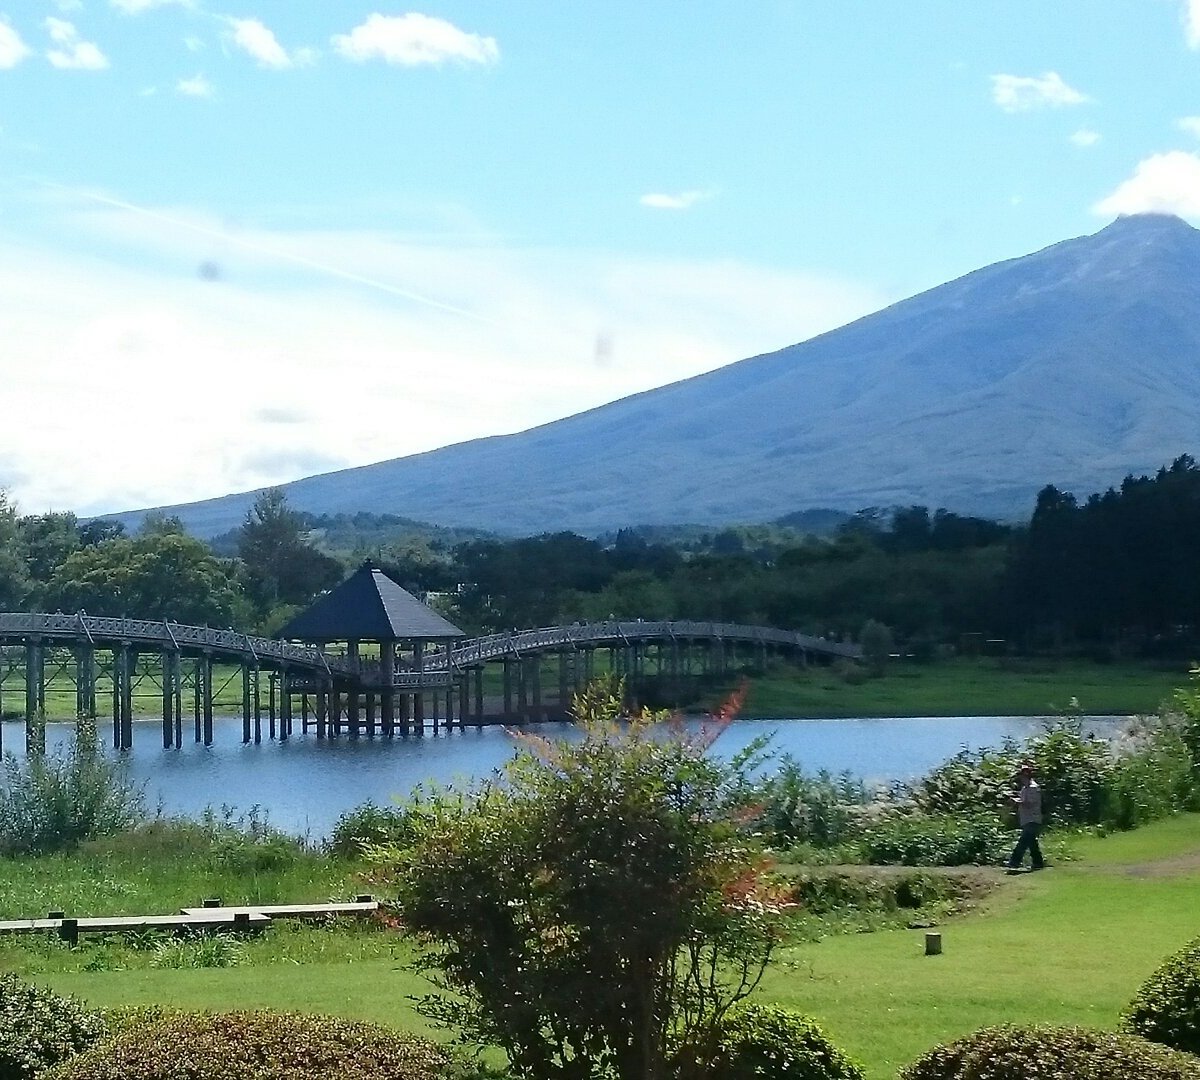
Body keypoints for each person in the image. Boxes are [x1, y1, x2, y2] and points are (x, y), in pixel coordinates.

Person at [1006, 760, 1044, 872]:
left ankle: (1014, 862)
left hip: (1032, 819)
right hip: (1027, 819)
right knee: (1032, 843)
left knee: (1023, 842)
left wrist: (1016, 801)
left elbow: (1030, 803)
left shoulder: (1033, 788)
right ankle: (1038, 863)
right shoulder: (1025, 789)